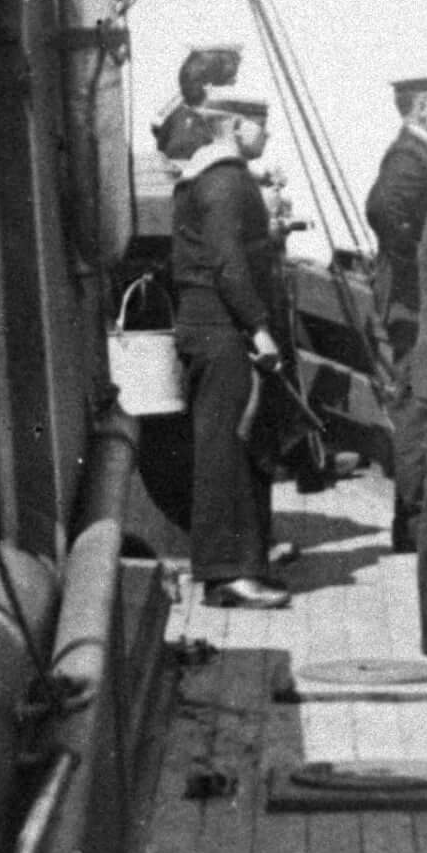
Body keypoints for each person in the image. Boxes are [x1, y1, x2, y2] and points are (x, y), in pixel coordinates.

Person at [170, 92, 293, 609]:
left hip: (215, 326)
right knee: (225, 449)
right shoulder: (225, 183)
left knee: (237, 444)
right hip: (223, 331)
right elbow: (227, 263)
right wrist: (260, 328)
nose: (267, 136)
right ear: (239, 127)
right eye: (262, 127)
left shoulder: (213, 178)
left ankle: (246, 561)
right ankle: (226, 575)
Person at [367, 72, 427, 549]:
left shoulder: (418, 153)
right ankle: (415, 523)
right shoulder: (409, 156)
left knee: (420, 405)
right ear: (423, 107)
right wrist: (421, 268)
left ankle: (415, 521)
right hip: (412, 304)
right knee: (417, 409)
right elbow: (384, 212)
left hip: (414, 303)